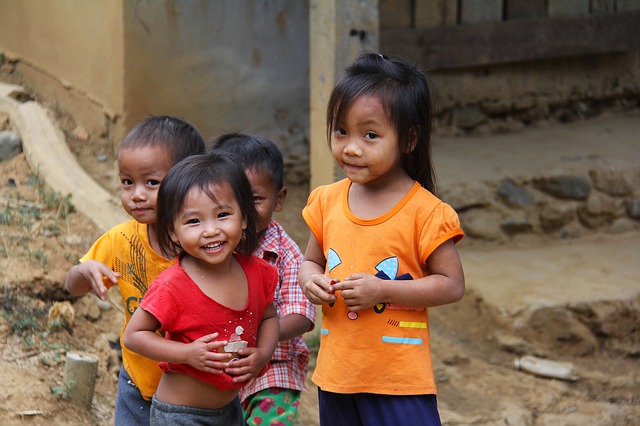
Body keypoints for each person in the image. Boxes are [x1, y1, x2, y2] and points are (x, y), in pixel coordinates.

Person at [298, 53, 466, 426]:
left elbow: (452, 285)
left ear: (408, 140)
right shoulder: (326, 200)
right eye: (341, 131)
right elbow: (309, 261)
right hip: (337, 374)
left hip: (397, 380)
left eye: (370, 135)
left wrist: (382, 291)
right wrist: (312, 281)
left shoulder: (425, 211)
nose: (351, 147)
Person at [65, 116, 206, 425]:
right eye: (127, 182)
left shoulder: (204, 249)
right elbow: (72, 286)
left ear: (189, 180)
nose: (137, 194)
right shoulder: (122, 240)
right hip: (136, 385)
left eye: (151, 182)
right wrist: (85, 270)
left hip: (193, 393)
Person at [123, 151, 280, 426]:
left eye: (222, 215)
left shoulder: (257, 273)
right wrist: (186, 354)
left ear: (244, 218)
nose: (210, 231)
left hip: (231, 409)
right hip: (181, 415)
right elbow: (134, 336)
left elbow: (269, 317)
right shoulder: (173, 285)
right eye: (194, 221)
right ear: (173, 231)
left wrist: (262, 355)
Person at [211, 133, 316, 425]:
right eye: (231, 201)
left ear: (278, 199)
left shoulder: (286, 253)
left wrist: (258, 335)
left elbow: (301, 315)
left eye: (255, 199)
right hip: (219, 369)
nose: (243, 213)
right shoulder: (208, 247)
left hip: (273, 370)